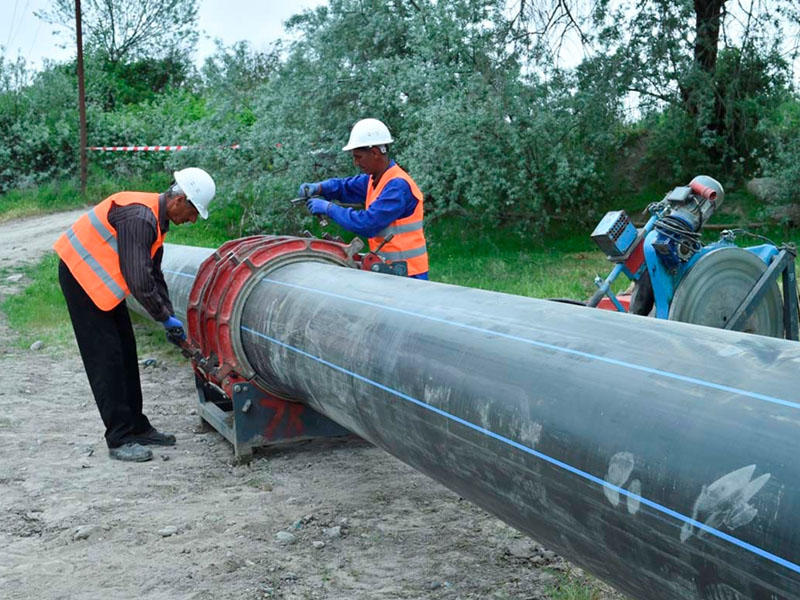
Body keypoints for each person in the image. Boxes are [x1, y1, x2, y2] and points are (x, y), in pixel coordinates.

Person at [53, 168, 216, 462]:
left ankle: (137, 426)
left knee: (126, 352)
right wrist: (164, 318)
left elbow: (154, 274)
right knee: (107, 359)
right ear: (179, 199)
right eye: (193, 212)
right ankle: (119, 438)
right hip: (80, 276)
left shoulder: (156, 219)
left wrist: (169, 315)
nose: (192, 220)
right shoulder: (140, 218)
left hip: (100, 282)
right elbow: (139, 280)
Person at [299, 118, 429, 279]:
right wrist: (319, 187)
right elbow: (344, 186)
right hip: (390, 271)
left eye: (358, 157)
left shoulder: (397, 187)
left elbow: (367, 224)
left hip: (410, 275)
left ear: (374, 153)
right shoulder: (374, 179)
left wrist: (329, 209)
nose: (356, 162)